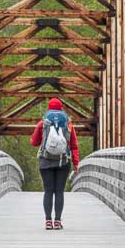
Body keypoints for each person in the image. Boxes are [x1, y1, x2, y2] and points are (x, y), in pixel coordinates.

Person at [30, 98, 80, 230]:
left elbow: (34, 143)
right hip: (63, 162)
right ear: (61, 108)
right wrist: (76, 163)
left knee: (48, 191)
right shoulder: (68, 125)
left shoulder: (43, 123)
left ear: (49, 108)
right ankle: (57, 221)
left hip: (45, 161)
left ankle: (48, 221)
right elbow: (74, 146)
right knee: (59, 191)